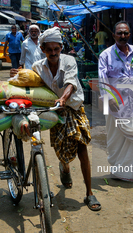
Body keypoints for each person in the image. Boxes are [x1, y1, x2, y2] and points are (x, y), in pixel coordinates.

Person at [32, 27, 101, 211]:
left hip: (75, 108)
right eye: (49, 50)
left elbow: (70, 81)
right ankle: (65, 168)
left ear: (61, 48)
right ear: (43, 50)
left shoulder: (69, 60)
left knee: (81, 147)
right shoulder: (38, 67)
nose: (53, 53)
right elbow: (31, 83)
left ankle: (89, 193)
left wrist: (63, 98)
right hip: (55, 112)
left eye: (56, 49)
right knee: (60, 148)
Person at [98, 21, 133, 186]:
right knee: (117, 140)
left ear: (130, 34)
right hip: (117, 105)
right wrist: (107, 98)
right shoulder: (105, 55)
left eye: (126, 33)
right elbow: (102, 79)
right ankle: (119, 171)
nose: (123, 36)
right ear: (114, 35)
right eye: (119, 33)